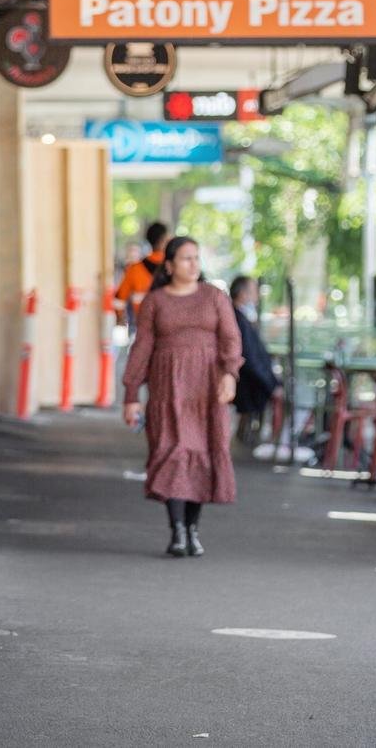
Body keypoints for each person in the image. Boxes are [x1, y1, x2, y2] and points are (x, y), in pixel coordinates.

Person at [121, 237, 241, 558]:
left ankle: (192, 529)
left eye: (197, 258)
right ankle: (176, 529)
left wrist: (230, 374)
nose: (193, 264)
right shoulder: (155, 301)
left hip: (206, 387)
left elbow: (231, 338)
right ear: (170, 265)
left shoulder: (214, 297)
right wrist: (132, 392)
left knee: (201, 452)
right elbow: (142, 346)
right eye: (186, 259)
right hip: (167, 389)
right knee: (172, 450)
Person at [229, 276, 283, 444]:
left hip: (252, 380)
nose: (257, 296)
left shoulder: (241, 318)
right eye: (254, 291)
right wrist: (271, 384)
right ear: (242, 294)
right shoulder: (238, 320)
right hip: (249, 384)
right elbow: (250, 359)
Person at [113, 221, 169, 332]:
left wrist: (119, 318)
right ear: (164, 240)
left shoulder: (134, 269)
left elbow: (119, 298)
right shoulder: (173, 267)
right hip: (169, 325)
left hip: (143, 325)